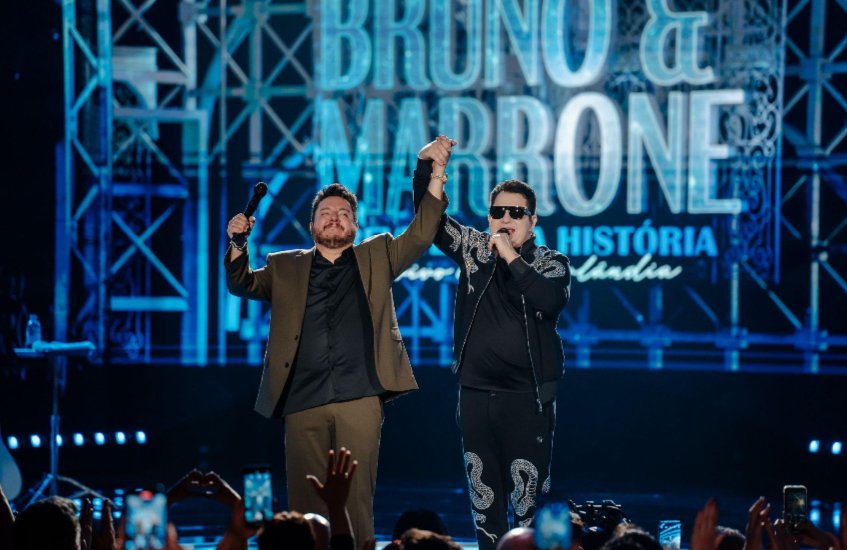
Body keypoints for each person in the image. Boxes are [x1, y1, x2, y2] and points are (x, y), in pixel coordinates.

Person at [225, 138, 452, 544]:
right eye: (325, 214)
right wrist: (238, 243)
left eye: (343, 214)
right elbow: (241, 283)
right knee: (305, 503)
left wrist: (434, 173)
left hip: (359, 396)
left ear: (355, 226)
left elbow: (421, 233)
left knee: (356, 499)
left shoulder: (378, 254)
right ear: (311, 225)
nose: (334, 219)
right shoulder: (283, 266)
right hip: (301, 398)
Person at [412, 153, 571, 549]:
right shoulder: (473, 249)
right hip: (476, 396)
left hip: (527, 399)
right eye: (498, 212)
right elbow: (429, 220)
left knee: (529, 503)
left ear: (533, 221)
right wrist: (427, 167)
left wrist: (510, 256)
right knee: (485, 503)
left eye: (516, 212)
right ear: (488, 218)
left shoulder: (550, 263)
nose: (506, 219)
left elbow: (549, 301)